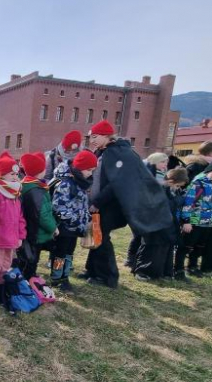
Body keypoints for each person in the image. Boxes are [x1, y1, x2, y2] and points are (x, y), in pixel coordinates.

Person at [82, 120, 172, 288]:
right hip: (102, 203)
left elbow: (117, 182)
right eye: (89, 137)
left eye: (94, 136)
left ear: (106, 136)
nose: (91, 140)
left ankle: (107, 276)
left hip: (110, 205)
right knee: (96, 235)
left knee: (101, 238)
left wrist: (98, 202)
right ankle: (92, 270)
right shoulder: (104, 151)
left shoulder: (118, 153)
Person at [50, 150, 97, 291]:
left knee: (69, 252)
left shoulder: (80, 182)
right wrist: (75, 220)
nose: (90, 173)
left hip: (75, 228)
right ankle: (56, 278)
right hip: (65, 228)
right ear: (79, 167)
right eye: (88, 170)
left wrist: (86, 218)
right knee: (60, 254)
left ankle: (65, 276)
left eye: (92, 170)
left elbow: (81, 204)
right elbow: (58, 208)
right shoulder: (66, 184)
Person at [175, 158, 212, 278]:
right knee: (186, 247)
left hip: (208, 223)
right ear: (209, 170)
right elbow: (188, 203)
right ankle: (178, 269)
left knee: (199, 247)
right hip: (194, 222)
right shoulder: (198, 184)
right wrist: (186, 221)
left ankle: (192, 267)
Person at [0, 151, 26, 303]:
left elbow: (20, 218)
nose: (15, 178)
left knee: (6, 264)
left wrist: (21, 235)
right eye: (11, 174)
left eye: (16, 174)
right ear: (2, 175)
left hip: (12, 238)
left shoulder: (15, 193)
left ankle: (3, 287)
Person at [19, 152, 57, 280]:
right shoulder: (36, 189)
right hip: (35, 232)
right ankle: (29, 278)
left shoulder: (28, 185)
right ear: (41, 171)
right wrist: (53, 227)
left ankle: (29, 276)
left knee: (28, 256)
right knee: (32, 258)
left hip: (30, 230)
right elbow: (42, 214)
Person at [161, 168, 190, 279]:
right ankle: (163, 271)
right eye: (178, 185)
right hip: (166, 223)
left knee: (170, 248)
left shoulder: (176, 191)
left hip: (174, 223)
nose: (179, 188)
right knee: (164, 248)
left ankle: (167, 272)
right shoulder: (164, 191)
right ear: (171, 181)